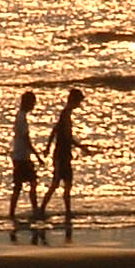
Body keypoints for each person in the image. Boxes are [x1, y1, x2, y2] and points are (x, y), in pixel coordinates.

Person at [39, 88, 92, 223]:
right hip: (61, 155)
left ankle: (66, 211)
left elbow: (54, 131)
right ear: (73, 100)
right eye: (78, 101)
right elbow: (67, 137)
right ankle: (42, 209)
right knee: (57, 183)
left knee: (66, 183)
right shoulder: (66, 115)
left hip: (62, 154)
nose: (79, 104)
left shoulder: (65, 114)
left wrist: (47, 147)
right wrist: (82, 147)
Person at [6, 90, 42, 223]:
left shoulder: (19, 116)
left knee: (20, 186)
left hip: (19, 155)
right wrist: (37, 156)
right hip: (22, 157)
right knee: (30, 183)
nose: (34, 105)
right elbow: (26, 139)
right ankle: (34, 210)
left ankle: (14, 212)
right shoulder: (22, 118)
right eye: (33, 103)